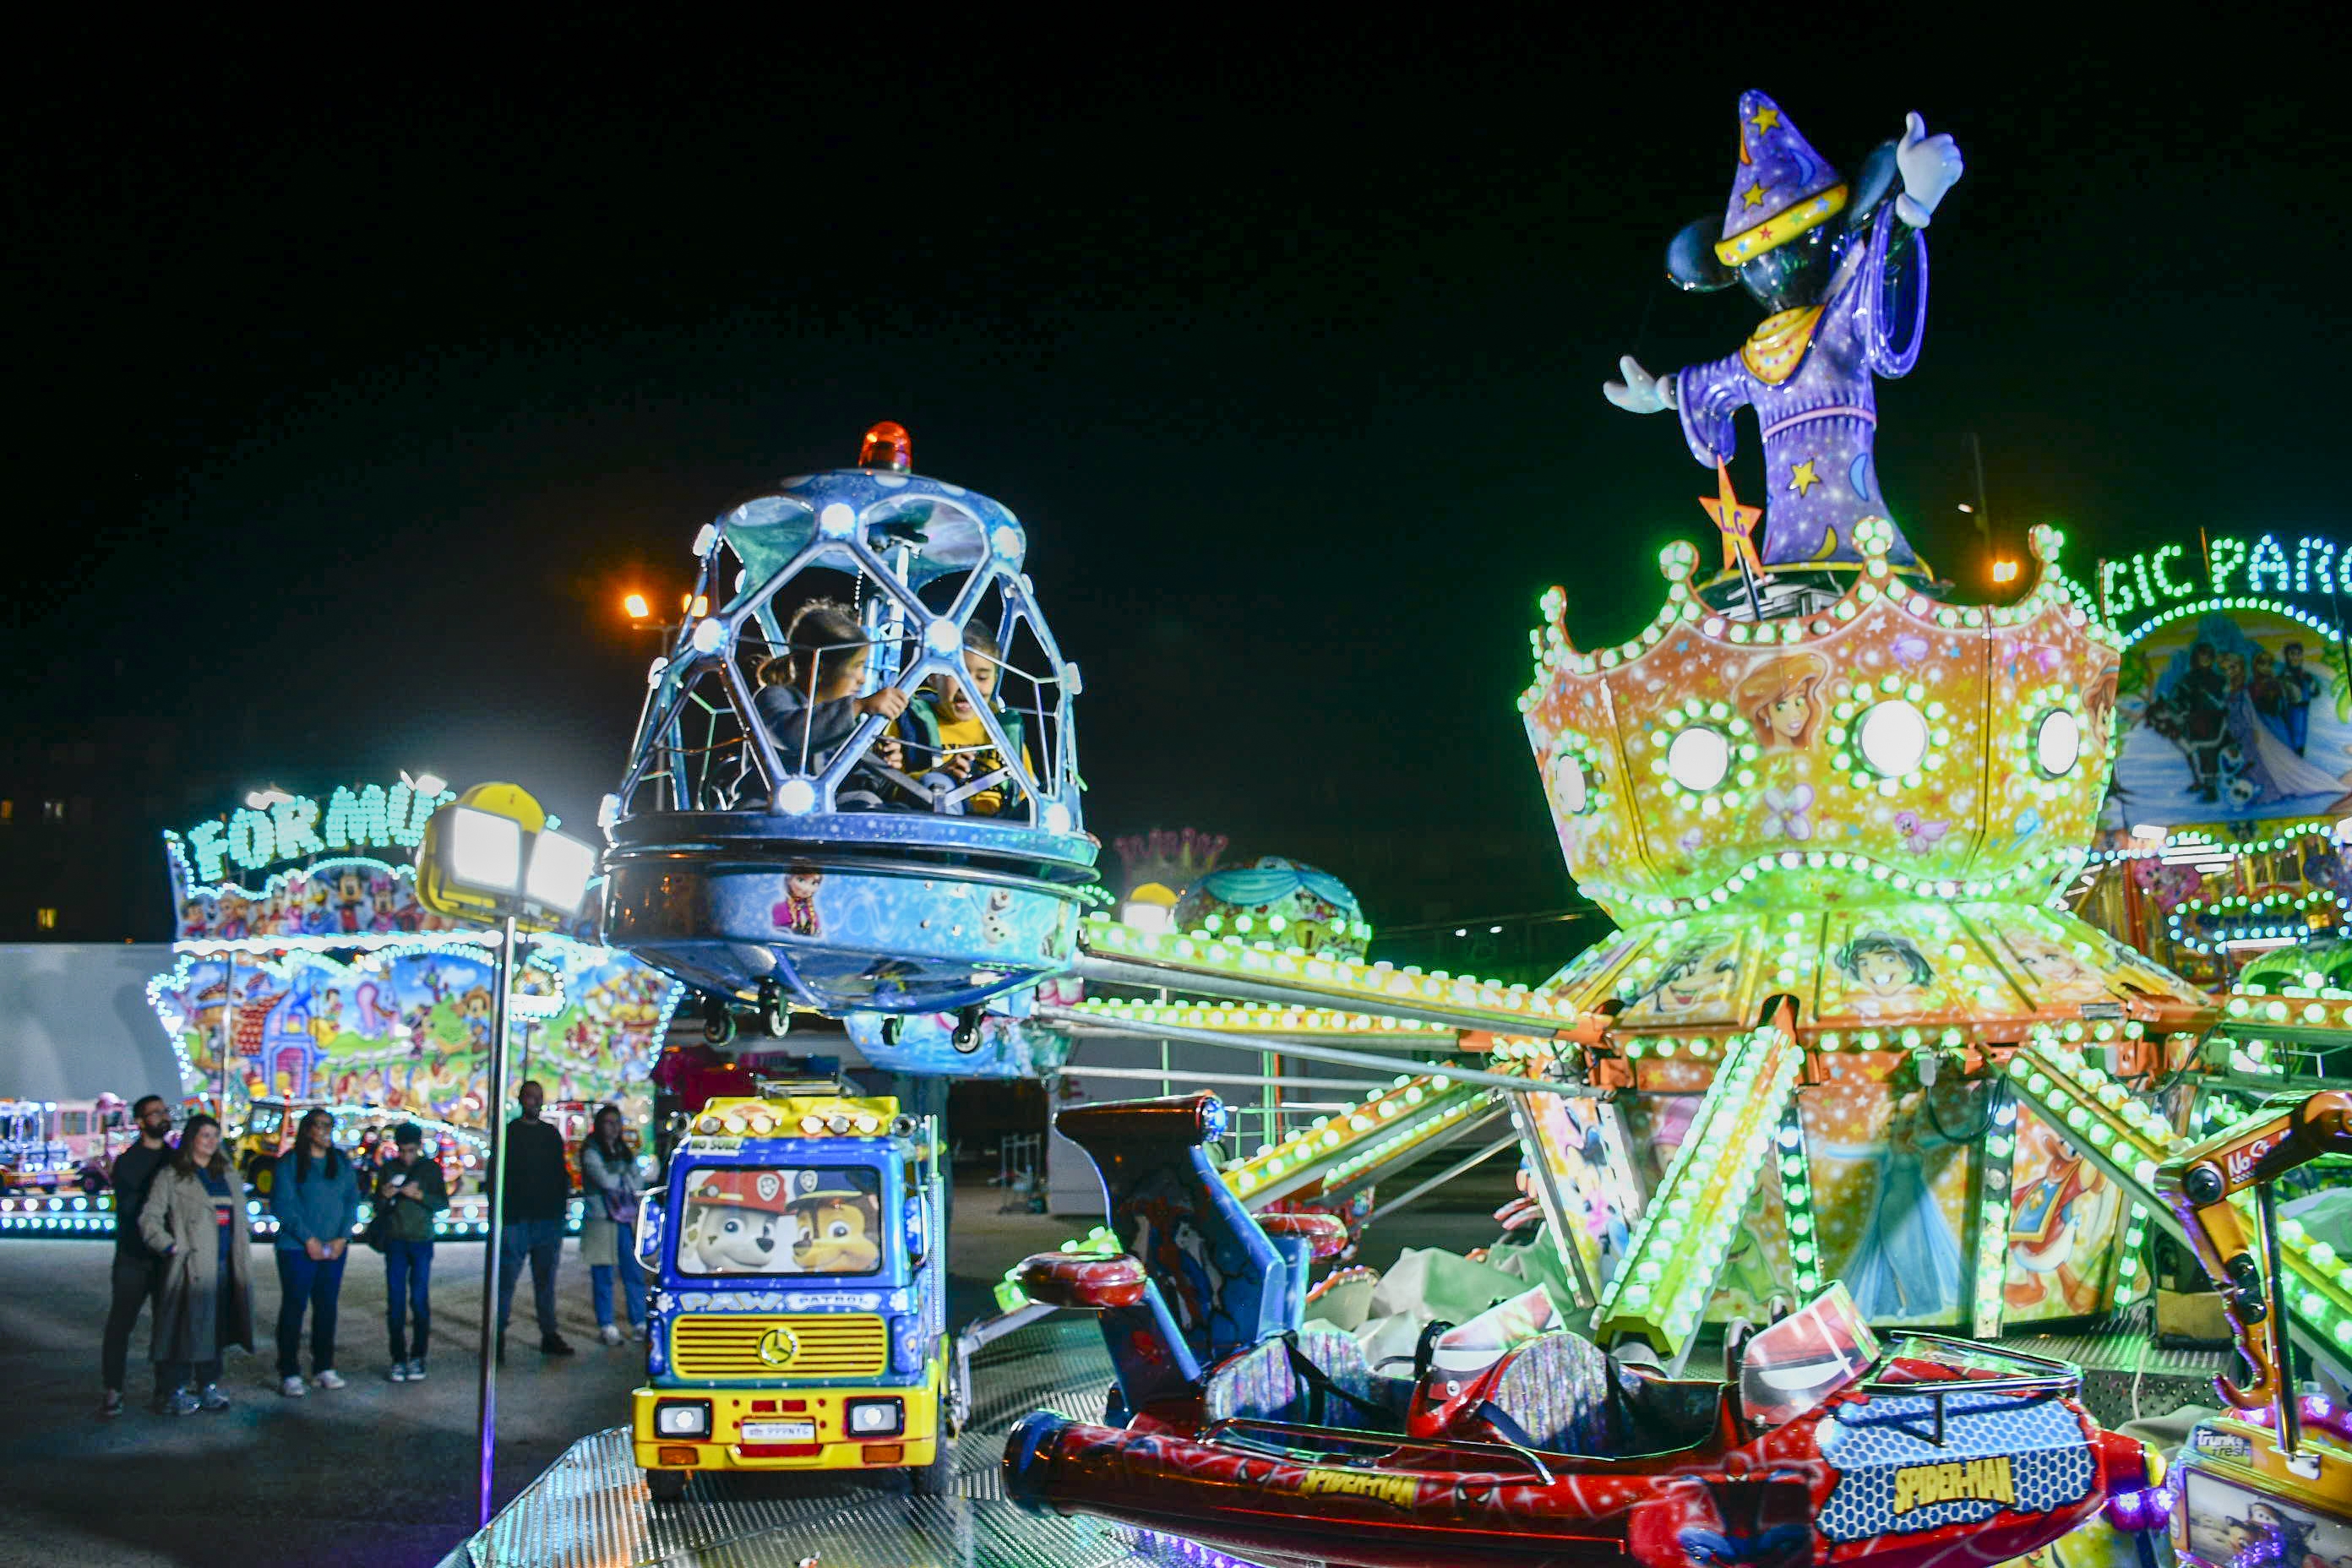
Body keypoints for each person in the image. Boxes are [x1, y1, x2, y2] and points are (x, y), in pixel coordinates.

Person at [138, 1113, 254, 1415]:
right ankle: (173, 1388)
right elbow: (149, 1218)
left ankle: (208, 1384)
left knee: (216, 1325)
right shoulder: (172, 1176)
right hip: (190, 1265)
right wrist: (170, 1246)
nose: (211, 1142)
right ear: (191, 1139)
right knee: (181, 1328)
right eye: (205, 1136)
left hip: (225, 1261)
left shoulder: (227, 1175)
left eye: (215, 1137)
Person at [752, 599, 910, 807]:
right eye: (856, 666)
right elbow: (792, 735)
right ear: (821, 669)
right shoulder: (774, 698)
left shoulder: (842, 721)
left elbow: (859, 784)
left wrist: (884, 768)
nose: (862, 679)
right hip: (771, 804)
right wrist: (858, 706)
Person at [896, 623, 1033, 815]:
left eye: (982, 677)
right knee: (937, 785)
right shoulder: (910, 723)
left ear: (995, 679)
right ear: (934, 677)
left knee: (1057, 793)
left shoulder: (1004, 729)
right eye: (957, 675)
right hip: (949, 824)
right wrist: (937, 774)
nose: (968, 687)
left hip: (1002, 826)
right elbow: (889, 791)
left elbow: (1026, 797)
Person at [269, 1106, 359, 1396]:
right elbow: (284, 1203)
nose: (325, 1131)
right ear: (308, 1130)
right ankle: (289, 1371)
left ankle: (323, 1366)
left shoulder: (341, 1163)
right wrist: (308, 1239)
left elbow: (351, 1200)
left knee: (327, 1307)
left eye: (329, 1125)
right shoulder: (290, 1163)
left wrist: (342, 1237)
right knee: (294, 1306)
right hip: (296, 1249)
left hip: (334, 1248)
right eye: (319, 1125)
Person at [98, 1094, 177, 1417]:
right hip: (133, 1257)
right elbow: (134, 1211)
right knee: (121, 1324)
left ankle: (165, 1389)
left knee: (165, 1325)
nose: (163, 1116)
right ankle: (113, 1389)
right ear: (142, 1122)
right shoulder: (129, 1162)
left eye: (164, 1110)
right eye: (155, 1113)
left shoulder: (174, 1159)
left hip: (165, 1259)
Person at [497, 1079, 576, 1357]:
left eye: (538, 1097)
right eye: (530, 1097)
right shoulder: (510, 1133)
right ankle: (498, 1333)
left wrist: (560, 1208)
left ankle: (548, 1332)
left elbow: (559, 1174)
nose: (535, 1102)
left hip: (547, 1218)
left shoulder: (550, 1135)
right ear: (521, 1099)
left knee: (546, 1280)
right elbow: (498, 1176)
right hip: (517, 1218)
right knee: (506, 1279)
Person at [376, 1123, 448, 1382]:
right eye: (403, 1150)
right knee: (395, 1302)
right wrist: (385, 1196)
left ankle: (418, 1357)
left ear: (418, 1147)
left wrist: (420, 1195)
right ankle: (398, 1357)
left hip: (421, 1241)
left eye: (411, 1150)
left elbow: (442, 1203)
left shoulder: (429, 1169)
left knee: (419, 1300)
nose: (406, 1156)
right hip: (395, 1240)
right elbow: (377, 1204)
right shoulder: (388, 1168)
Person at [579, 1105, 647, 1346]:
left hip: (622, 1219)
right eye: (608, 1122)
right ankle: (606, 1324)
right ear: (599, 1125)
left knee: (632, 1271)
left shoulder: (622, 1150)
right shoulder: (591, 1150)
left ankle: (638, 1322)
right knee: (603, 1274)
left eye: (617, 1122)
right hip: (600, 1219)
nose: (613, 1127)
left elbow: (637, 1179)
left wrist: (624, 1179)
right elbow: (606, 1181)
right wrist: (626, 1178)